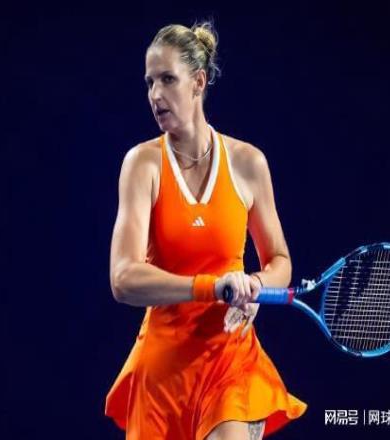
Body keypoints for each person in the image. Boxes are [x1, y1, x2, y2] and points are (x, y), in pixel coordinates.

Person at [105, 20, 307, 440]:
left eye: (167, 79)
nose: (155, 94)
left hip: (230, 361)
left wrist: (255, 285)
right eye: (149, 82)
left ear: (198, 82)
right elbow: (123, 279)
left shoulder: (248, 163)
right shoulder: (142, 165)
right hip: (162, 376)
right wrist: (212, 287)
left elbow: (280, 261)